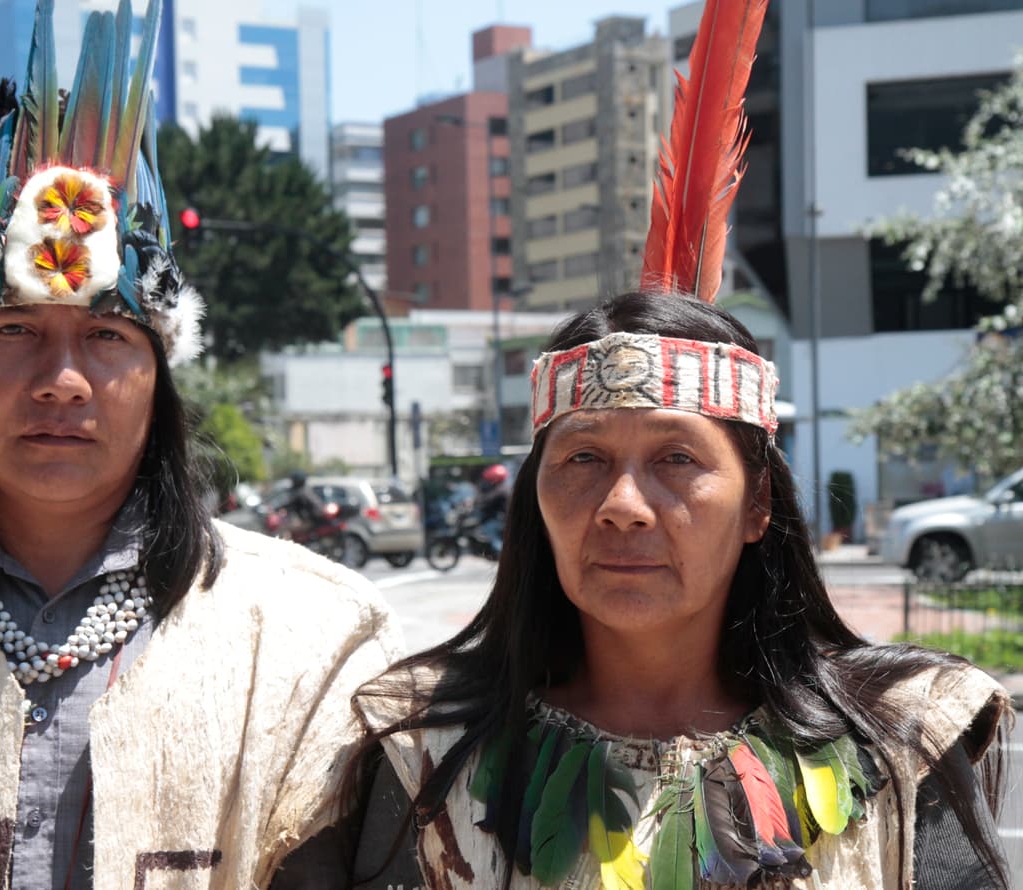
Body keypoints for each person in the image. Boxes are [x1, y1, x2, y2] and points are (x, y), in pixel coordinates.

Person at [334, 1, 1013, 887]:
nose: (621, 505)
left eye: (676, 459)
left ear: (758, 502)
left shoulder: (905, 737)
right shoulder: (423, 748)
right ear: (534, 498)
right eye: (582, 459)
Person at [0, 1, 400, 886]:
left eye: (106, 336)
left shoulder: (302, 633)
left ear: (159, 378)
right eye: (13, 331)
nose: (62, 380)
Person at [472, 463, 511, 557]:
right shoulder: (502, 487)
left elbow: (488, 499)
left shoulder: (501, 490)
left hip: (501, 520)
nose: (489, 481)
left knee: (489, 529)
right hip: (502, 518)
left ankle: (503, 554)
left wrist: (477, 502)